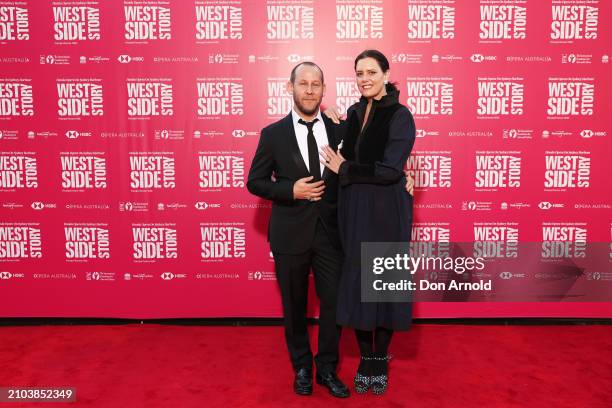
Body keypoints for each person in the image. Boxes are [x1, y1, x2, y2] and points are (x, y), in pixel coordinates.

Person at [246, 62, 350, 398]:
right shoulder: (272, 134)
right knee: (294, 306)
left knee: (334, 303)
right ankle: (303, 366)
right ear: (289, 88)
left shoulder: (339, 129)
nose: (309, 90)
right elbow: (255, 182)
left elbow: (362, 165)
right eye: (302, 83)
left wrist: (400, 179)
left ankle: (328, 369)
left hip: (331, 233)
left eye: (316, 84)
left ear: (323, 90)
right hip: (290, 231)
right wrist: (291, 191)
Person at [320, 49, 416, 396]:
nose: (364, 79)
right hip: (354, 207)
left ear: (386, 75)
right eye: (359, 73)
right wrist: (331, 119)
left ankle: (378, 360)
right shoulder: (355, 111)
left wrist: (345, 169)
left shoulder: (401, 116)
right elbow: (339, 143)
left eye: (371, 72)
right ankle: (364, 358)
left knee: (384, 283)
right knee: (359, 282)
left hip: (386, 210)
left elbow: (391, 170)